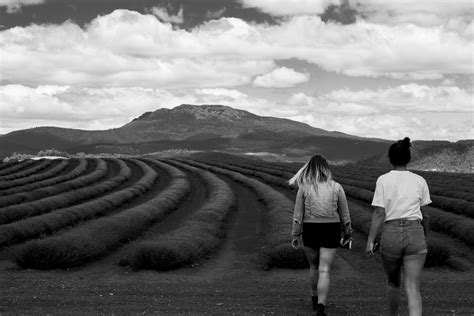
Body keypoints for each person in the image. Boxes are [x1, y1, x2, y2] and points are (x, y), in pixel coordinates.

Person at [366, 137, 431, 316]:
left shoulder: (383, 180)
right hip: (415, 232)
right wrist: (425, 236)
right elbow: (426, 214)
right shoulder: (419, 180)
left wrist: (370, 241)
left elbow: (379, 213)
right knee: (412, 287)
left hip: (391, 232)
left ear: (390, 158)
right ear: (408, 158)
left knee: (393, 283)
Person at [289, 154, 352, 315]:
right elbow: (345, 214)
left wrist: (296, 235)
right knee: (324, 269)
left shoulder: (304, 187)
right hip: (331, 229)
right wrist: (348, 233)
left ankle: (314, 301)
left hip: (311, 229)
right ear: (326, 168)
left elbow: (298, 215)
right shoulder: (336, 187)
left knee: (313, 267)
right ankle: (321, 307)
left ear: (310, 168)